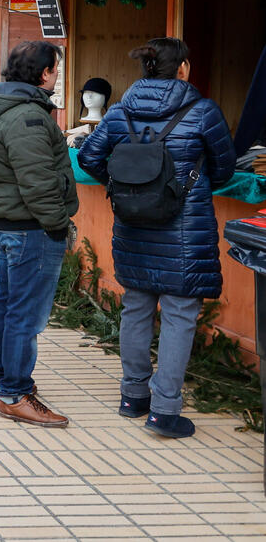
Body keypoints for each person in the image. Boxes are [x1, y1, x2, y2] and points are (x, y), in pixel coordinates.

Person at [79, 38, 235, 438]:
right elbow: (226, 169)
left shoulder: (119, 112)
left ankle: (133, 398)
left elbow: (88, 158)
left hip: (132, 226)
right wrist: (186, 188)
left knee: (136, 306)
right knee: (180, 313)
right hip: (185, 229)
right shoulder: (203, 112)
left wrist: (126, 189)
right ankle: (164, 412)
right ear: (183, 68)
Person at [0, 41, 78, 428]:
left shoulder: (6, 109)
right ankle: (15, 393)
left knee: (9, 304)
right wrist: (58, 224)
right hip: (30, 228)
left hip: (10, 224)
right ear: (44, 73)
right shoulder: (28, 118)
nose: (58, 75)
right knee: (25, 314)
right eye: (56, 68)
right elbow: (39, 183)